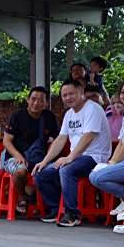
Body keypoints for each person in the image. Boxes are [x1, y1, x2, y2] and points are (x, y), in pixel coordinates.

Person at [34, 79, 113, 227]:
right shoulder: (69, 114)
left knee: (66, 169)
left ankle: (72, 214)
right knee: (41, 173)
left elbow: (88, 136)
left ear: (81, 92)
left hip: (95, 157)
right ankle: (56, 209)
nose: (68, 98)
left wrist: (70, 157)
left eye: (71, 94)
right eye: (64, 95)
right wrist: (44, 162)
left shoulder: (93, 109)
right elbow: (60, 139)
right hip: (77, 157)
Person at [89, 78, 124, 234]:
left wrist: (114, 162)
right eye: (123, 92)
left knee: (97, 177)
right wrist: (110, 162)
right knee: (96, 174)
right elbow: (121, 143)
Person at [1, 86, 57, 215]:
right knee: (20, 171)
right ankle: (22, 197)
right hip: (14, 155)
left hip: (39, 157)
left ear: (46, 103)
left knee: (50, 171)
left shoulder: (49, 117)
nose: (36, 103)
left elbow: (55, 139)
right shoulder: (17, 116)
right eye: (33, 99)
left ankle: (44, 203)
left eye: (41, 100)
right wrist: (18, 156)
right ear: (28, 100)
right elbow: (6, 141)